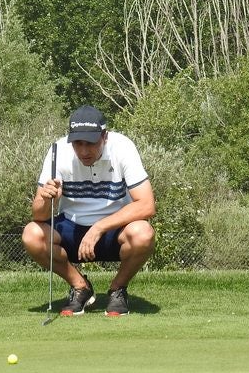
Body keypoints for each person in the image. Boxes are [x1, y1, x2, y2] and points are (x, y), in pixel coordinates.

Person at [22, 105, 156, 317]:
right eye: (78, 143)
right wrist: (46, 198)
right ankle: (80, 287)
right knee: (31, 234)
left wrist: (98, 228)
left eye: (90, 143)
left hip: (115, 230)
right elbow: (38, 215)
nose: (84, 151)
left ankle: (117, 289)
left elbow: (147, 205)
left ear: (104, 136)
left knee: (144, 233)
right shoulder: (58, 151)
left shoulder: (123, 147)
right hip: (71, 228)